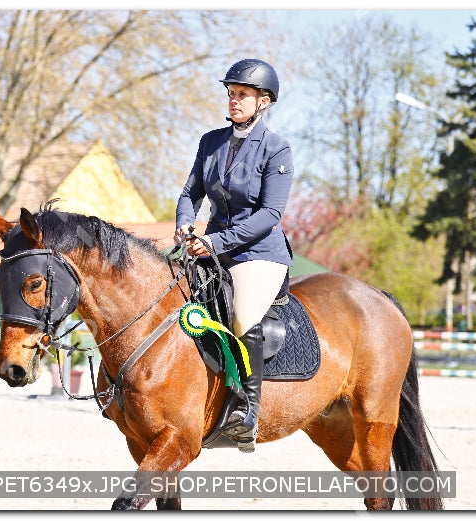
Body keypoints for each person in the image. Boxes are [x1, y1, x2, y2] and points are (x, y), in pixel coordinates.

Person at [174, 58, 293, 452]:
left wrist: (215, 243)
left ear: (263, 101)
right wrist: (186, 223)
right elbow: (190, 193)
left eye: (242, 94)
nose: (234, 100)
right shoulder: (211, 141)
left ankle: (247, 412)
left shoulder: (277, 149)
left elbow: (270, 214)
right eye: (231, 94)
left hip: (257, 253)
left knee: (242, 316)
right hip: (210, 248)